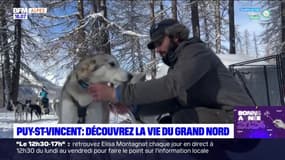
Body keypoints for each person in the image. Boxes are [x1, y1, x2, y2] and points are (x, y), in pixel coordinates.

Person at [88, 18, 254, 124]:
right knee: (168, 122)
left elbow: (172, 85)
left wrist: (117, 93)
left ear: (176, 36)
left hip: (246, 122)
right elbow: (173, 101)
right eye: (154, 46)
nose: (158, 49)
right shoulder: (179, 66)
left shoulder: (196, 52)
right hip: (225, 119)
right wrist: (133, 107)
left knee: (182, 120)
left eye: (160, 42)